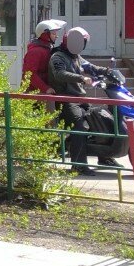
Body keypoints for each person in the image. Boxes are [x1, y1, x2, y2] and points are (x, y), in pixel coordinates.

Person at [48, 26, 112, 175]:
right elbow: (59, 74)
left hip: (79, 98)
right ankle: (78, 165)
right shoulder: (57, 57)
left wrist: (108, 71)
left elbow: (90, 67)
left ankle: (104, 157)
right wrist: (81, 78)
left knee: (100, 119)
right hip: (66, 100)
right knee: (79, 126)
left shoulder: (75, 56)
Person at [21, 19, 66, 94]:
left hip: (42, 91)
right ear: (45, 34)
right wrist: (45, 88)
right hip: (33, 93)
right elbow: (30, 74)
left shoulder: (47, 48)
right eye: (53, 34)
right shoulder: (35, 52)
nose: (56, 36)